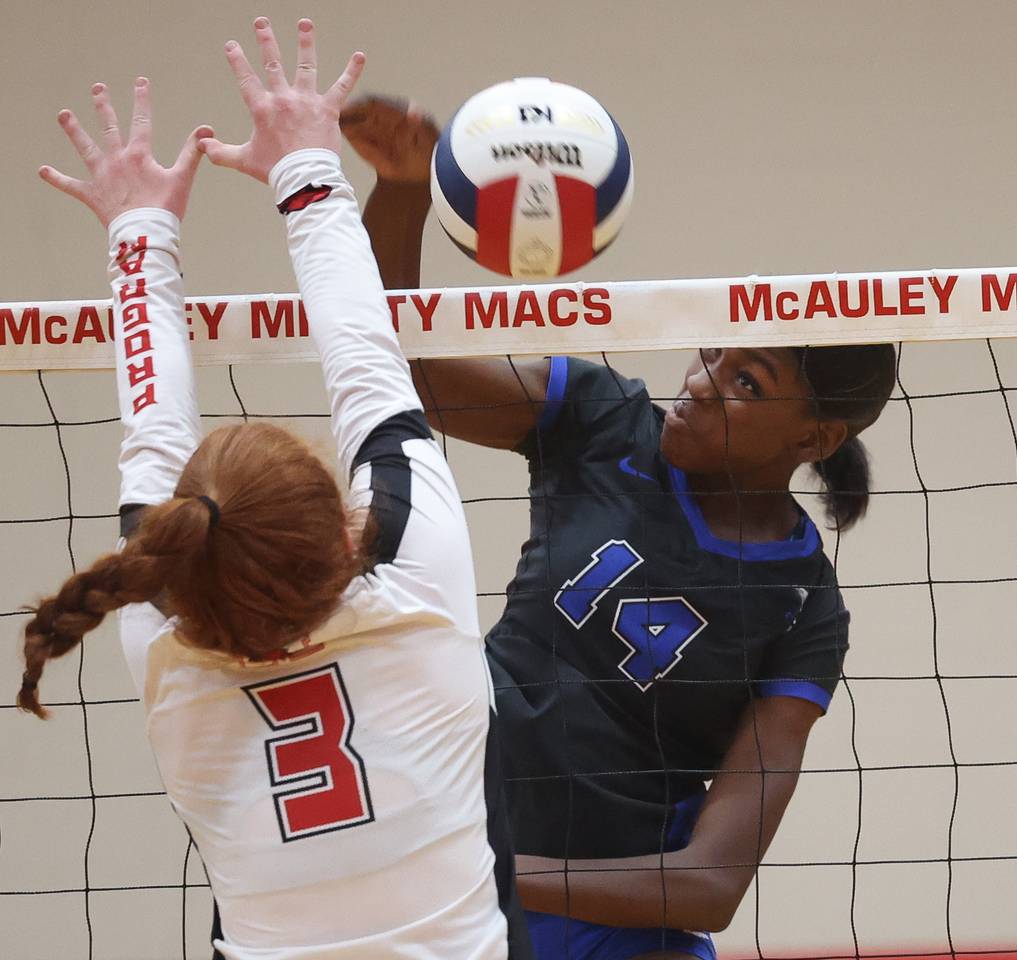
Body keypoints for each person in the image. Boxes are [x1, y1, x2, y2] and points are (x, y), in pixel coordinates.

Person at [342, 95, 897, 960]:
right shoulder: (602, 420)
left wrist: (494, 868)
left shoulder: (802, 608)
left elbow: (713, 884)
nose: (704, 381)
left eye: (747, 383)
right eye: (714, 351)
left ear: (814, 438)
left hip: (606, 933)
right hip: (453, 914)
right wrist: (405, 190)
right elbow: (401, 367)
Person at [21, 20, 523, 959]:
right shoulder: (411, 581)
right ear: (345, 528)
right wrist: (294, 173)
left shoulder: (162, 637)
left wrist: (145, 234)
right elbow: (364, 363)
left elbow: (158, 432)